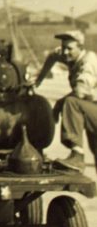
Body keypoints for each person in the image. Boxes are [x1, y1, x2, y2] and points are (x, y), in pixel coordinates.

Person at [37, 30, 97, 171]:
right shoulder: (69, 55)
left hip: (92, 107)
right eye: (63, 47)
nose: (65, 52)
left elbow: (80, 92)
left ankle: (78, 155)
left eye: (69, 48)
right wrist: (37, 82)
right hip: (91, 110)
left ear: (81, 48)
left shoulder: (88, 62)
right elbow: (53, 56)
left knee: (71, 102)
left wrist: (58, 104)